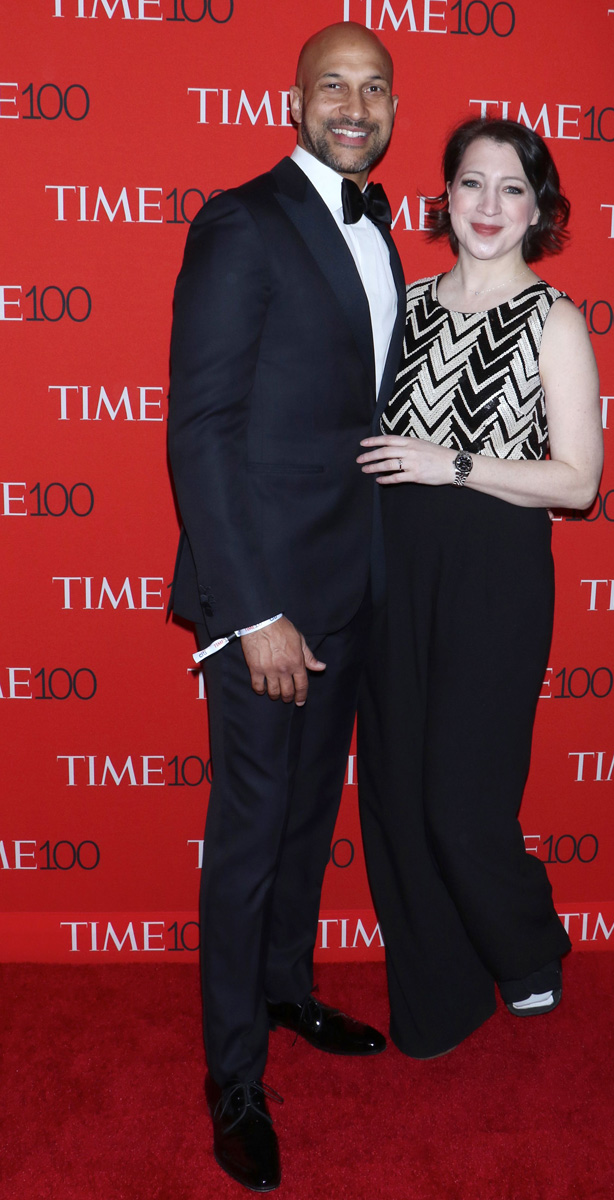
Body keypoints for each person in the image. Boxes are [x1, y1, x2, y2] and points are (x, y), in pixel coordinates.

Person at [167, 22, 405, 1192]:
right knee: (251, 840)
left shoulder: (384, 227)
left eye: (373, 87)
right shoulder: (240, 222)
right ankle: (232, 1080)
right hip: (265, 602)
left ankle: (288, 992)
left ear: (391, 106)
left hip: (349, 588)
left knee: (311, 820)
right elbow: (200, 433)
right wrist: (250, 611)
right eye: (332, 86)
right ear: (293, 101)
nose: (352, 105)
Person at [356, 118, 603, 1060]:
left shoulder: (555, 319)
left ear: (539, 209)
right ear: (446, 197)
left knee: (461, 801)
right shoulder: (406, 306)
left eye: (512, 189)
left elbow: (578, 481)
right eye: (472, 184)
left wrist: (449, 461)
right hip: (394, 569)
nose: (490, 206)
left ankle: (528, 947)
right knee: (395, 793)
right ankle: (440, 993)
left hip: (495, 577)